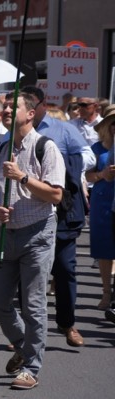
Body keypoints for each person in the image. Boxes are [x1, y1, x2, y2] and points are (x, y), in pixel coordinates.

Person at [0, 92, 65, 390]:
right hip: (6, 234)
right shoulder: (2, 148)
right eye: (3, 106)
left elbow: (56, 194)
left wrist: (22, 177)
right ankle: (22, 343)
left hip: (38, 233)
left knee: (33, 303)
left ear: (30, 114)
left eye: (11, 106)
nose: (5, 110)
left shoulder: (46, 147)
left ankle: (31, 367)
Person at [21, 85, 95, 347]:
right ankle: (25, 332)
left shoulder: (64, 130)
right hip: (28, 211)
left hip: (61, 212)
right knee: (27, 275)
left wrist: (62, 164)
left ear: (40, 106)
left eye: (27, 104)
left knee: (64, 269)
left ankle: (67, 324)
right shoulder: (16, 134)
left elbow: (89, 155)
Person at [86, 109, 115, 309]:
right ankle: (106, 292)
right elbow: (87, 175)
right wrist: (101, 175)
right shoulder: (97, 148)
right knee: (104, 249)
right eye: (113, 123)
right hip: (103, 200)